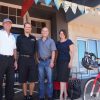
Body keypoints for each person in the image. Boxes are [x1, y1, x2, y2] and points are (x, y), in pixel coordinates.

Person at [16, 22, 38, 100]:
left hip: (32, 60)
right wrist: (16, 61)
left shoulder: (33, 38)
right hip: (22, 59)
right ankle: (25, 96)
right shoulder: (19, 37)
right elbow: (17, 50)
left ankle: (31, 95)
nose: (28, 28)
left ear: (31, 29)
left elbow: (35, 51)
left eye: (29, 27)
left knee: (32, 79)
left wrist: (36, 61)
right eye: (26, 27)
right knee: (23, 79)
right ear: (24, 28)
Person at [0, 18, 17, 100]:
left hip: (11, 60)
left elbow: (14, 49)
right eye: (6, 23)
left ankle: (9, 98)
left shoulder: (13, 37)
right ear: (3, 25)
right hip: (1, 58)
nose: (8, 24)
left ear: (11, 25)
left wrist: (15, 61)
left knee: (10, 81)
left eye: (9, 23)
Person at [37, 27, 57, 100]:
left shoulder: (51, 41)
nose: (45, 32)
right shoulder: (38, 41)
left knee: (49, 80)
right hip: (40, 62)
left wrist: (52, 61)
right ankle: (41, 96)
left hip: (48, 62)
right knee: (41, 80)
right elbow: (36, 51)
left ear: (48, 32)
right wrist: (37, 59)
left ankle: (49, 96)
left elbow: (53, 52)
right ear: (41, 32)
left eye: (46, 31)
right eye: (43, 31)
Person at [56, 29, 74, 100]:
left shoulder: (68, 41)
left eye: (62, 33)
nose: (61, 34)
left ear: (65, 34)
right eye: (60, 33)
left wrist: (71, 62)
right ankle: (66, 94)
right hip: (59, 62)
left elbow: (72, 52)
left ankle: (61, 96)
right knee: (61, 79)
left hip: (66, 62)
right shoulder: (58, 43)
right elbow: (54, 50)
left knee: (62, 79)